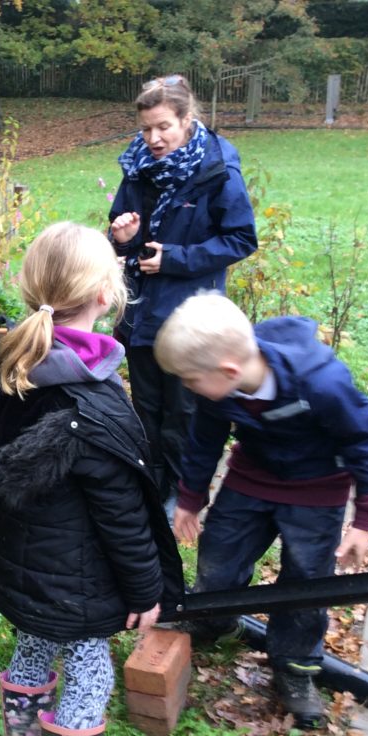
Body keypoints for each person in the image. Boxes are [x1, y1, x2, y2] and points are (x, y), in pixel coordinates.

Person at [0, 222, 184, 736]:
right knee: (90, 676)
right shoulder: (93, 404)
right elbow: (123, 516)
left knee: (33, 646)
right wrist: (145, 591)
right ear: (103, 295)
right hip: (80, 583)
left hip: (17, 568)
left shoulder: (1, 364)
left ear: (30, 289)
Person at [154, 293, 368, 728]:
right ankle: (214, 622)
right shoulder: (218, 386)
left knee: (306, 581)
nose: (186, 388)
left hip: (318, 490)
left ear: (227, 371)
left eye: (189, 380)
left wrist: (363, 519)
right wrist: (190, 497)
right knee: (219, 557)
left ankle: (295, 667)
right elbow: (204, 439)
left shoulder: (322, 383)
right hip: (251, 477)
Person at [109, 74, 257, 515]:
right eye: (146, 129)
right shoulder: (136, 166)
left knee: (184, 411)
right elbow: (121, 228)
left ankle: (182, 493)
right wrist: (123, 237)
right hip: (139, 312)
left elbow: (241, 239)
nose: (153, 139)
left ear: (186, 121)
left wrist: (175, 259)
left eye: (163, 127)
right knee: (146, 407)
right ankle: (150, 487)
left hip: (190, 316)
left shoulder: (216, 170)